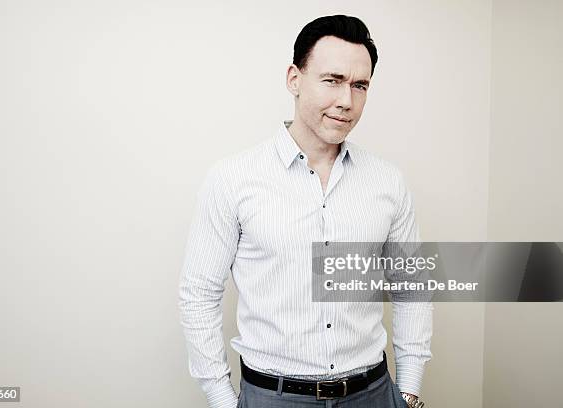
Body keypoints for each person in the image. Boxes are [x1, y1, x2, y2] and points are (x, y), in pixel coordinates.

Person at [179, 15, 432, 408]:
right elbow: (198, 293)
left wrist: (410, 391)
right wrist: (221, 399)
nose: (346, 101)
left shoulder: (388, 182)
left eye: (359, 85)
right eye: (332, 80)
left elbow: (411, 287)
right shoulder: (233, 178)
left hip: (374, 394)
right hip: (272, 398)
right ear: (294, 79)